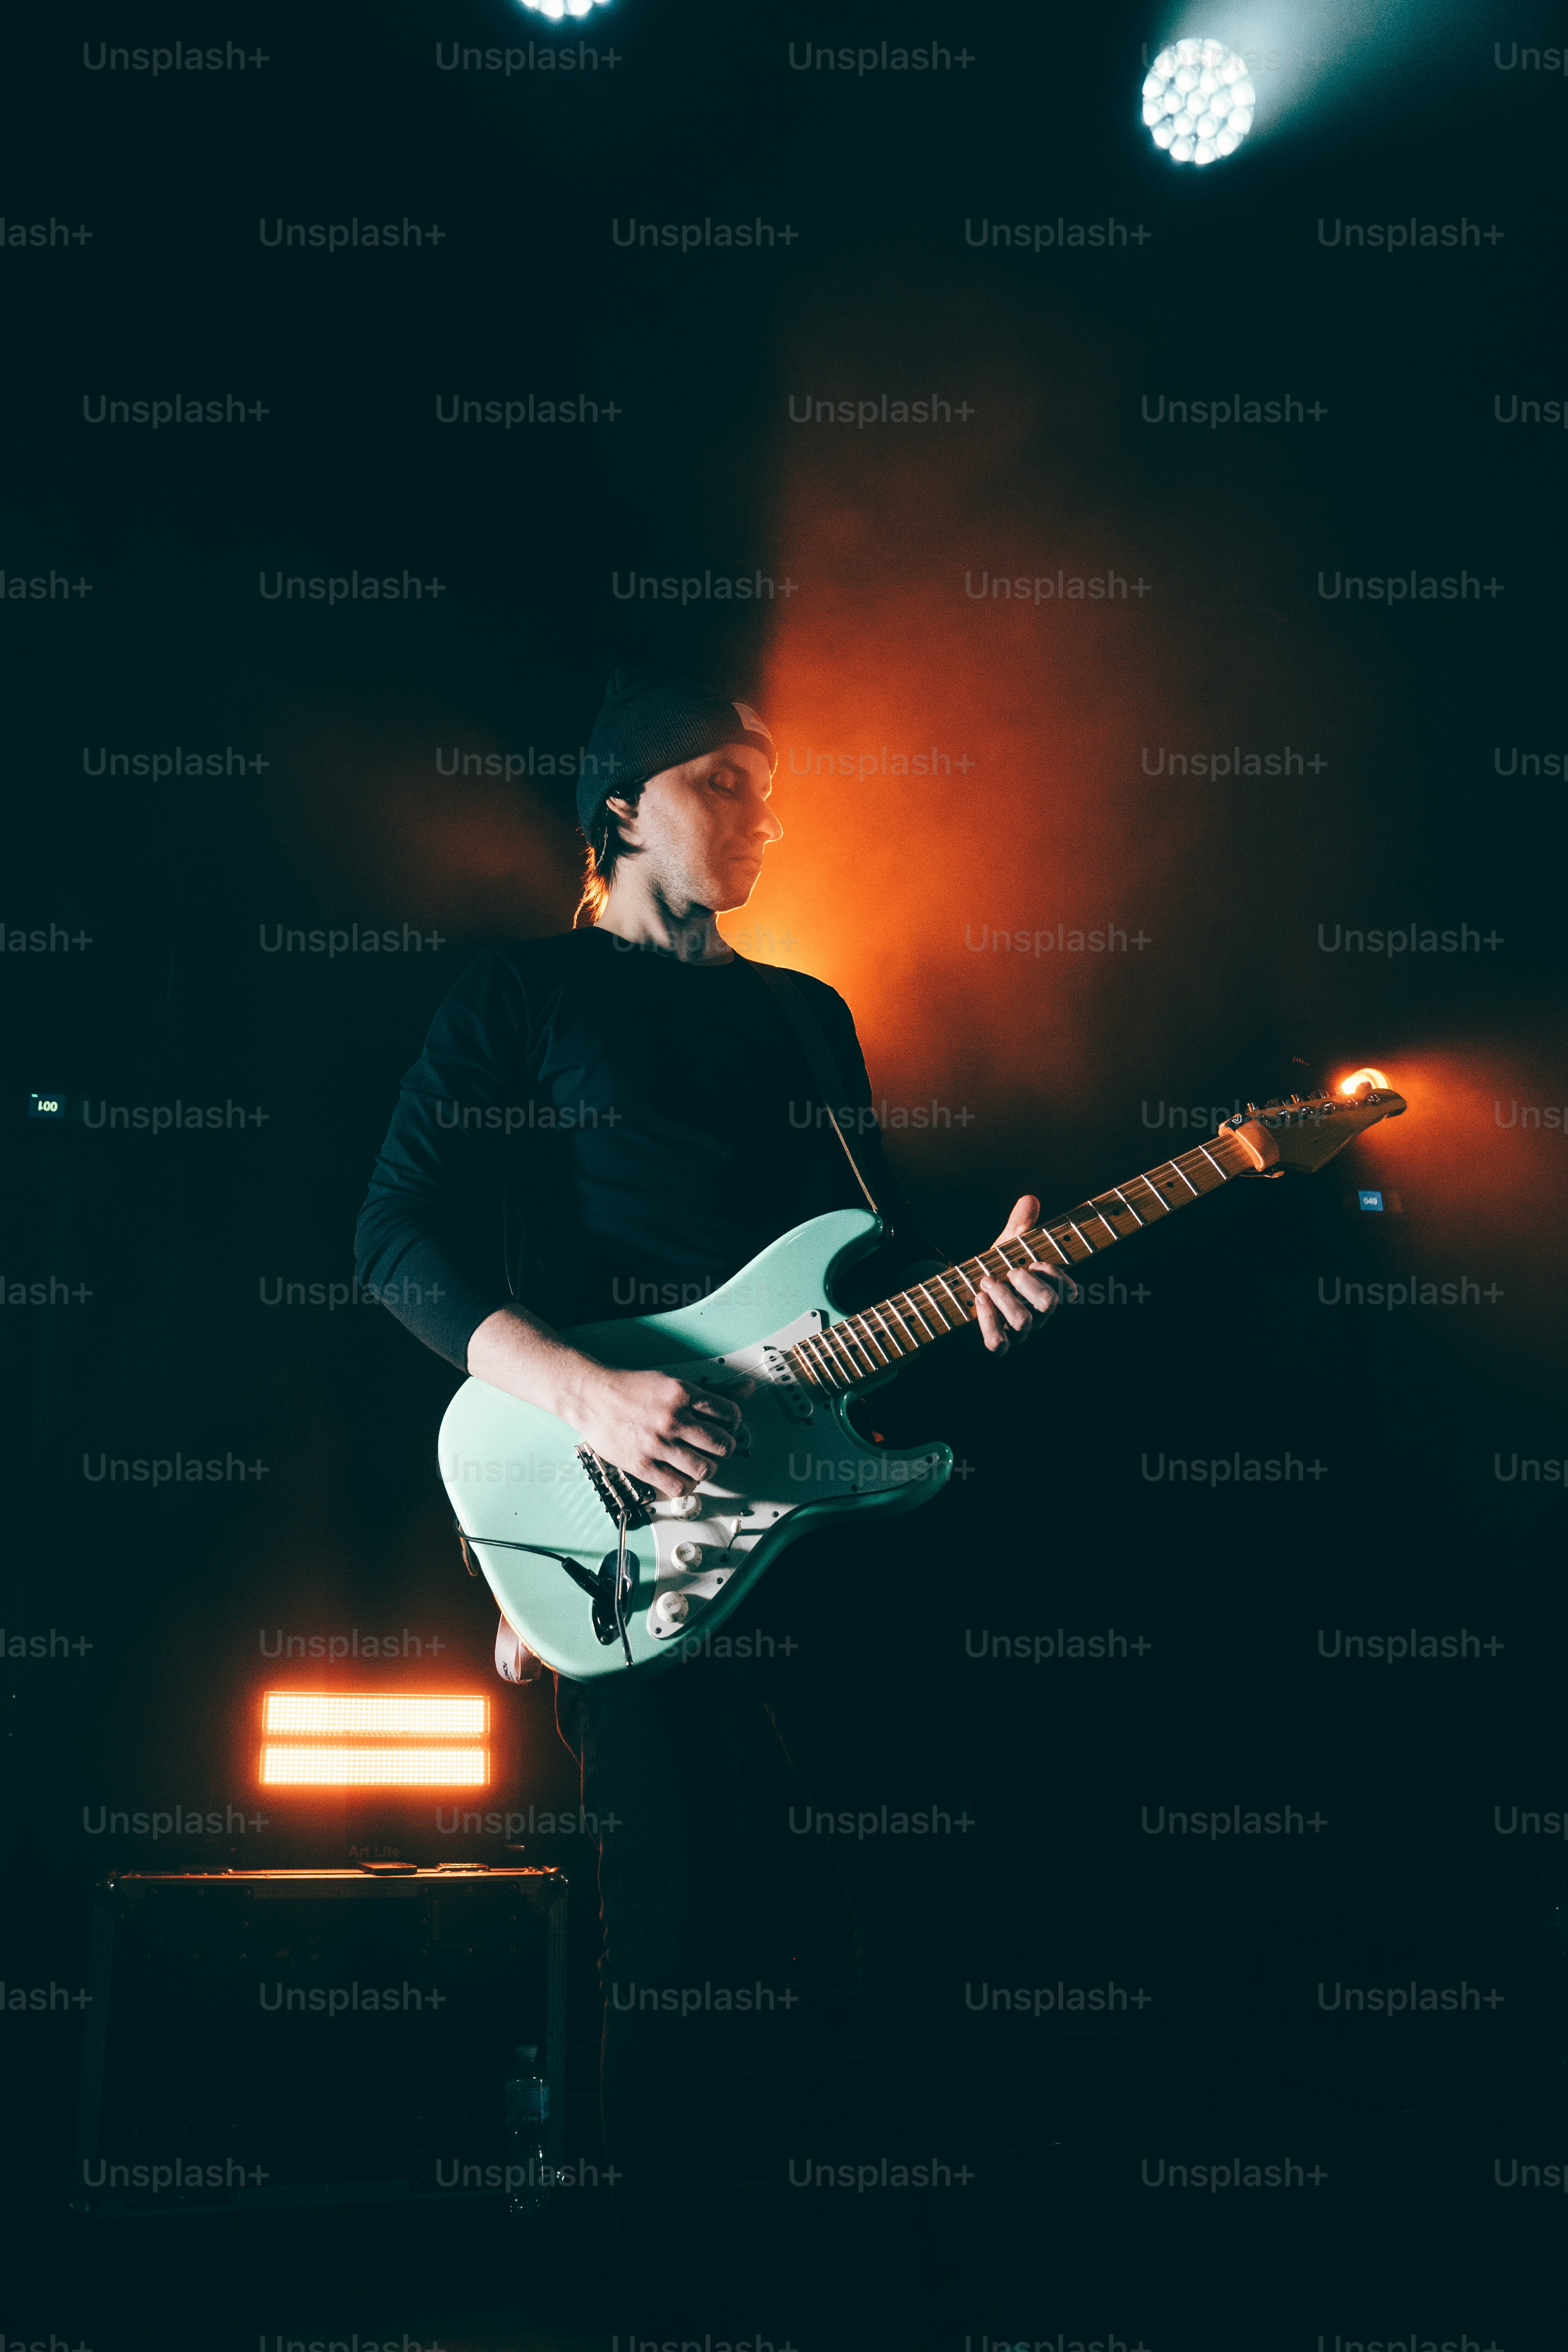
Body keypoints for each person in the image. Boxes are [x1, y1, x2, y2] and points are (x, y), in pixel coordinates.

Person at [354, 667, 1071, 2290]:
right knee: (684, 1928)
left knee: (926, 1893)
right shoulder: (522, 996)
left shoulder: (805, 1015)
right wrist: (588, 1400)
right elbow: (394, 1239)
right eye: (725, 782)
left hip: (829, 1506)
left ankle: (946, 2278)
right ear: (622, 804)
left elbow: (852, 1292)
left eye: (772, 787)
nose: (765, 815)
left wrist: (979, 1293)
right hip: (625, 1522)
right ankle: (671, 2297)